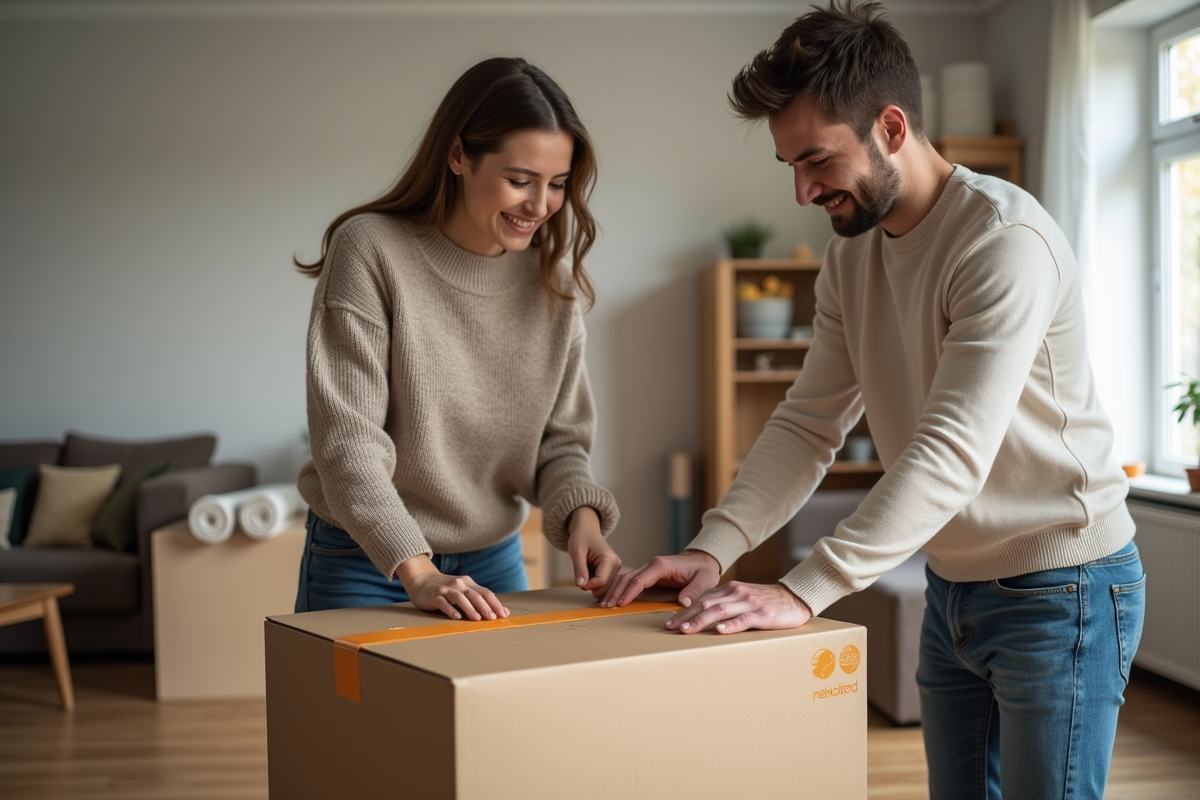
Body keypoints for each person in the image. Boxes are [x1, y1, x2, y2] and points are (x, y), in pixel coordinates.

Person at [604, 4, 1145, 798]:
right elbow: (806, 422)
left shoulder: (1002, 242)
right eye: (790, 165)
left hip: (1063, 585)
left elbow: (951, 452)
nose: (801, 190)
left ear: (891, 126)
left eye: (817, 160)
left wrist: (804, 590)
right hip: (952, 585)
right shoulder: (850, 261)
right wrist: (714, 546)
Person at [294, 57, 621, 622]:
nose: (539, 206)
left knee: (498, 715)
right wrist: (418, 571)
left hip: (491, 563)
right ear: (457, 156)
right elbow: (348, 443)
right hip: (367, 562)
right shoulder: (371, 250)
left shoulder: (552, 283)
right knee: (361, 715)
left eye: (558, 185)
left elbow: (560, 443)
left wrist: (583, 524)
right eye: (519, 180)